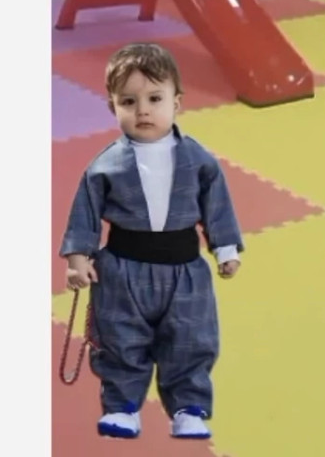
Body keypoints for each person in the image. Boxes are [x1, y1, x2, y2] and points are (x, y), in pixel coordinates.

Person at [59, 42, 244, 440]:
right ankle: (122, 407)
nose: (143, 110)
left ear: (176, 103)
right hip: (121, 271)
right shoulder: (106, 165)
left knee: (191, 337)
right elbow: (85, 211)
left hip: (185, 272)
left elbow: (216, 205)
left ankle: (189, 408)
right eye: (129, 101)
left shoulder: (199, 160)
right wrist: (78, 258)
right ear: (112, 107)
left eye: (154, 99)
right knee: (119, 338)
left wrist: (225, 248)